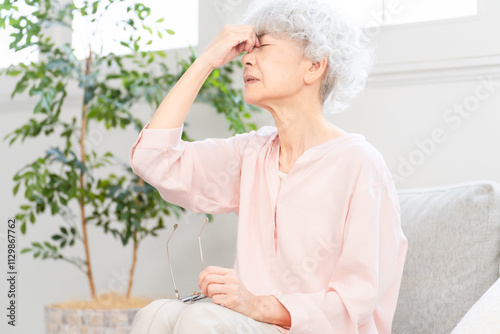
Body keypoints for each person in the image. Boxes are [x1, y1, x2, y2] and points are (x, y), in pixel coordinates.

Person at [129, 0, 407, 333]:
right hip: (249, 325)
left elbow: (356, 300)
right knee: (155, 315)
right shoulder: (252, 154)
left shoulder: (360, 165)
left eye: (262, 47)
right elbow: (153, 159)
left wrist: (259, 304)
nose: (246, 58)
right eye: (247, 50)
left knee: (200, 320)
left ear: (314, 66)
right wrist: (205, 62)